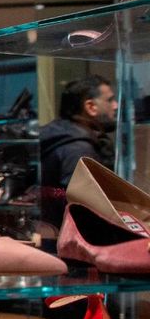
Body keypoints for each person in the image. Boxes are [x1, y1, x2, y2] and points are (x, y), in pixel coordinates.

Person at [39, 74, 118, 223]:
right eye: (109, 100)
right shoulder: (79, 150)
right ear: (90, 107)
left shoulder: (66, 139)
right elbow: (85, 209)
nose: (115, 106)